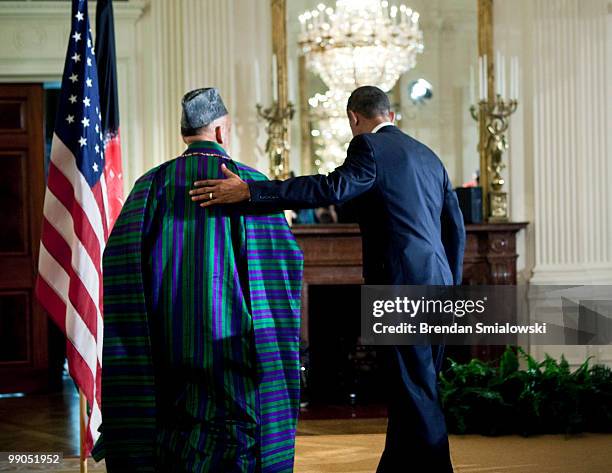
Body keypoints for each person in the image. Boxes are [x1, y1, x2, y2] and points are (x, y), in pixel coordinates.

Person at [191, 85, 466, 472]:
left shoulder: (368, 147)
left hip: (400, 286)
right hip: (436, 284)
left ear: (354, 117)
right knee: (413, 387)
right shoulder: (428, 156)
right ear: (388, 113)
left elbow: (330, 188)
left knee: (415, 390)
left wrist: (250, 191)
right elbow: (454, 228)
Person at [93, 88, 304, 473]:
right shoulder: (250, 183)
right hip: (236, 343)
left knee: (173, 433)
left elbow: (118, 259)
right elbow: (285, 264)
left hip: (166, 339)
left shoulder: (150, 185)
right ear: (221, 131)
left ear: (184, 133)